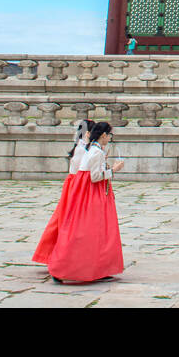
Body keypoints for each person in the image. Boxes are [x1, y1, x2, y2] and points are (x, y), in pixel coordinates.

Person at [46, 121, 125, 284]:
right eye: (109, 135)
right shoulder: (96, 152)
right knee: (91, 231)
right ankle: (64, 267)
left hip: (89, 193)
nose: (109, 138)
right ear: (104, 135)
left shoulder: (93, 150)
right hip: (93, 194)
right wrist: (114, 170)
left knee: (95, 232)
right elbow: (95, 177)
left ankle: (99, 267)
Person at [32, 119, 92, 267]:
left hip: (75, 185)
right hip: (76, 186)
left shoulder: (83, 148)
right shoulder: (81, 149)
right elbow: (82, 171)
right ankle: (57, 256)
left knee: (62, 220)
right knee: (67, 222)